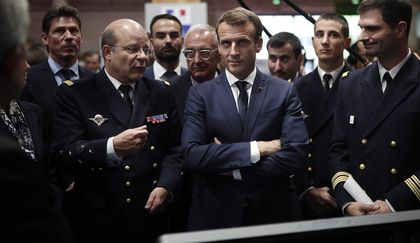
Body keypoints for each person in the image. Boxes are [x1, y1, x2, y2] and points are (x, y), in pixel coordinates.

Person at [51, 18, 183, 243]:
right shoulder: (77, 94)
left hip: (151, 212)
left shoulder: (161, 92)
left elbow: (176, 147)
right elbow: (64, 151)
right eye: (132, 49)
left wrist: (166, 185)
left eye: (145, 49)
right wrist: (112, 146)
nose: (142, 57)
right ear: (107, 52)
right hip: (101, 217)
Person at [182, 7, 308, 231]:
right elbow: (192, 155)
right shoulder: (201, 94)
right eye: (226, 43)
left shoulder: (283, 91)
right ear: (219, 46)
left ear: (258, 44)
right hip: (216, 213)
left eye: (241, 42)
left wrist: (230, 167)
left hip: (275, 212)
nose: (233, 51)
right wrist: (257, 149)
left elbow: (296, 156)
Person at [329, 0, 420, 217]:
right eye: (361, 28)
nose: (362, 37)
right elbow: (338, 150)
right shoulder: (350, 83)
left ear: (400, 29)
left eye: (372, 28)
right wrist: (347, 202)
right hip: (360, 213)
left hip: (409, 216)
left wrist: (393, 204)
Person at [0, 0, 74, 241]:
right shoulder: (7, 157)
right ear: (12, 60)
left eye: (74, 30)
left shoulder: (32, 112)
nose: (29, 66)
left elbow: (48, 163)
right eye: (23, 54)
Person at [293, 13, 352, 219]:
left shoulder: (359, 84)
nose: (325, 41)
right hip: (309, 192)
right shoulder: (297, 87)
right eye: (320, 34)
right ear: (312, 41)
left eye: (333, 35)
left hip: (349, 194)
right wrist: (306, 190)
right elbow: (289, 144)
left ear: (347, 42)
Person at [169, 24, 221, 232]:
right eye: (189, 53)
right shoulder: (168, 91)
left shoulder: (235, 87)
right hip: (183, 192)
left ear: (219, 54)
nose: (197, 60)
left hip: (226, 190)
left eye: (205, 53)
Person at [20, 4, 93, 129]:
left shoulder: (94, 80)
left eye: (74, 31)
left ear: (81, 38)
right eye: (60, 31)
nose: (69, 37)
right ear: (45, 38)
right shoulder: (29, 79)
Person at [144, 14, 187, 83]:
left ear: (182, 42)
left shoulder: (192, 78)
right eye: (161, 36)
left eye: (174, 35)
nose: (168, 41)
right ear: (151, 43)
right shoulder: (139, 78)